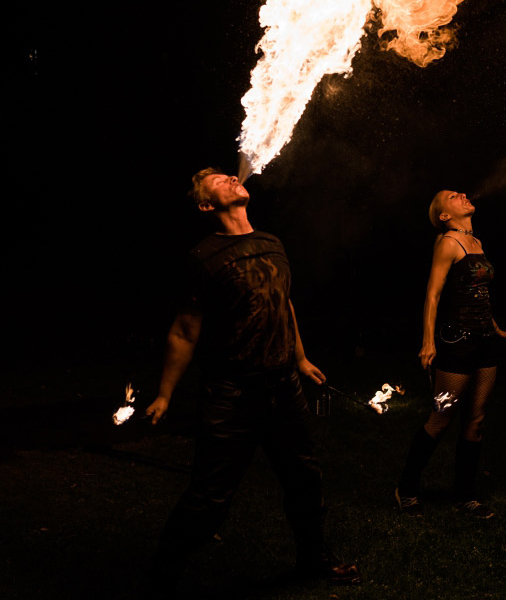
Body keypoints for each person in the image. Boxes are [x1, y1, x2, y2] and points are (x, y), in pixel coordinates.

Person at [146, 168, 359, 595]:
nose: (229, 178)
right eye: (216, 181)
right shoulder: (204, 258)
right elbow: (185, 330)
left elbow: (283, 302)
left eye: (229, 175)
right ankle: (161, 575)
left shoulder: (270, 242)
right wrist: (165, 394)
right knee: (210, 497)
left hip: (283, 386)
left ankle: (313, 558)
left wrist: (299, 356)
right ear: (206, 205)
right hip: (232, 394)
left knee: (304, 479)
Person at [395, 190, 506, 519]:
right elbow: (433, 295)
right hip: (458, 344)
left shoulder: (476, 242)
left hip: (486, 343)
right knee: (441, 417)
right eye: (451, 196)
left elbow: (479, 293)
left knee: (476, 420)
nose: (460, 194)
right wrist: (428, 343)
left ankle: (465, 496)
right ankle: (407, 488)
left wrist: (496, 327)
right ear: (444, 215)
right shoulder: (448, 242)